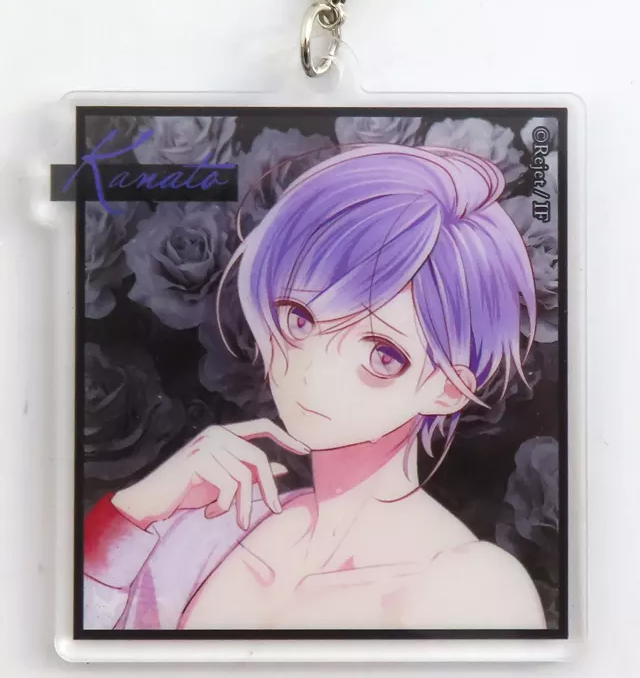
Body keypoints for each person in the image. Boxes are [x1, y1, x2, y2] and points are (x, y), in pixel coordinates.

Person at [84, 144, 546, 630]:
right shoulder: (220, 519)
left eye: (382, 355)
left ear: (447, 389)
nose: (311, 373)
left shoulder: (472, 589)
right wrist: (130, 516)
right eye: (299, 319)